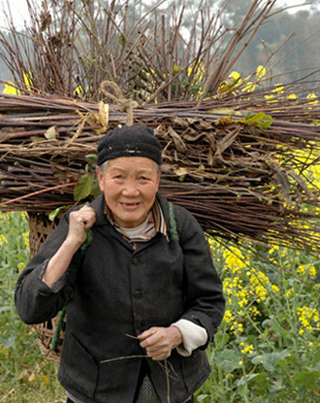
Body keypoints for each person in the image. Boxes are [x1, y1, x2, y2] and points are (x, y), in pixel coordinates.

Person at [15, 125, 225, 403]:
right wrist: (71, 243)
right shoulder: (79, 225)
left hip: (169, 387)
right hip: (93, 388)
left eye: (143, 178)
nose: (130, 191)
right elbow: (30, 308)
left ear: (158, 179)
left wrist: (176, 334)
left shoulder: (180, 226)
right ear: (100, 179)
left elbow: (209, 302)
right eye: (118, 177)